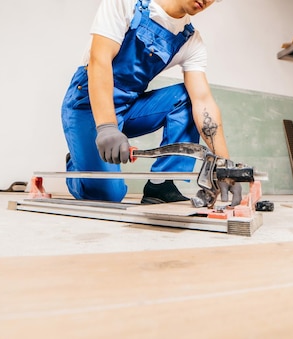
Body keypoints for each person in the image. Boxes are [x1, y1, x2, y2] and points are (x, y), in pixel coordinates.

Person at [61, 0, 241, 205]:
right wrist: (107, 127)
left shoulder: (191, 40)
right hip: (88, 105)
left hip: (129, 106)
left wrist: (226, 166)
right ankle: (76, 166)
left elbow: (203, 102)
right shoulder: (126, 3)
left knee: (187, 97)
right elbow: (99, 61)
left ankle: (161, 184)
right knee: (109, 197)